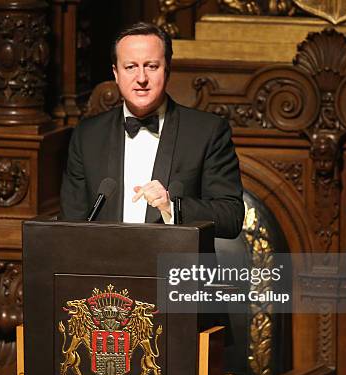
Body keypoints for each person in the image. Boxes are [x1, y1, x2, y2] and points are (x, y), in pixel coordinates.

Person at [60, 22, 244, 239]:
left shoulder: (208, 131)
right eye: (130, 67)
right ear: (116, 73)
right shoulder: (87, 135)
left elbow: (231, 217)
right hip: (105, 267)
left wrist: (172, 207)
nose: (141, 78)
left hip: (175, 269)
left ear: (167, 70)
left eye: (151, 66)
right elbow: (70, 224)